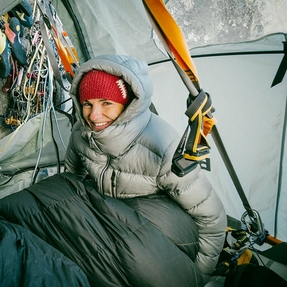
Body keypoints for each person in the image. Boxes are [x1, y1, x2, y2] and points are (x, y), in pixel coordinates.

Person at [64, 54, 227, 283]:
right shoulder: (81, 134)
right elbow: (70, 179)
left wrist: (198, 275)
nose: (94, 115)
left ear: (128, 104)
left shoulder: (163, 147)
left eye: (106, 103)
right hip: (110, 223)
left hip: (164, 232)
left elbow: (212, 219)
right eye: (87, 104)